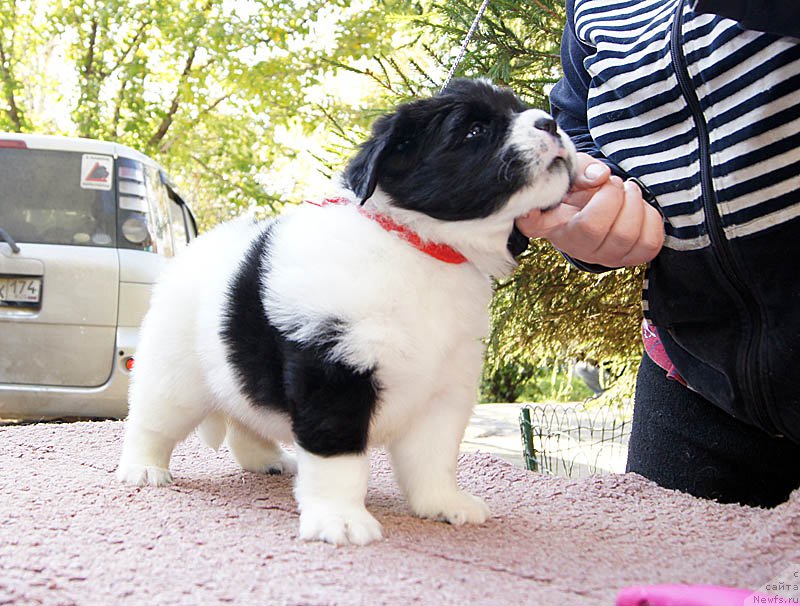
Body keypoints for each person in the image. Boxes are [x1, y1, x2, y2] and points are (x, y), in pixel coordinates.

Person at [516, 0, 800, 507]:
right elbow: (579, 123)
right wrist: (584, 210)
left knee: (781, 594)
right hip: (691, 380)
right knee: (660, 584)